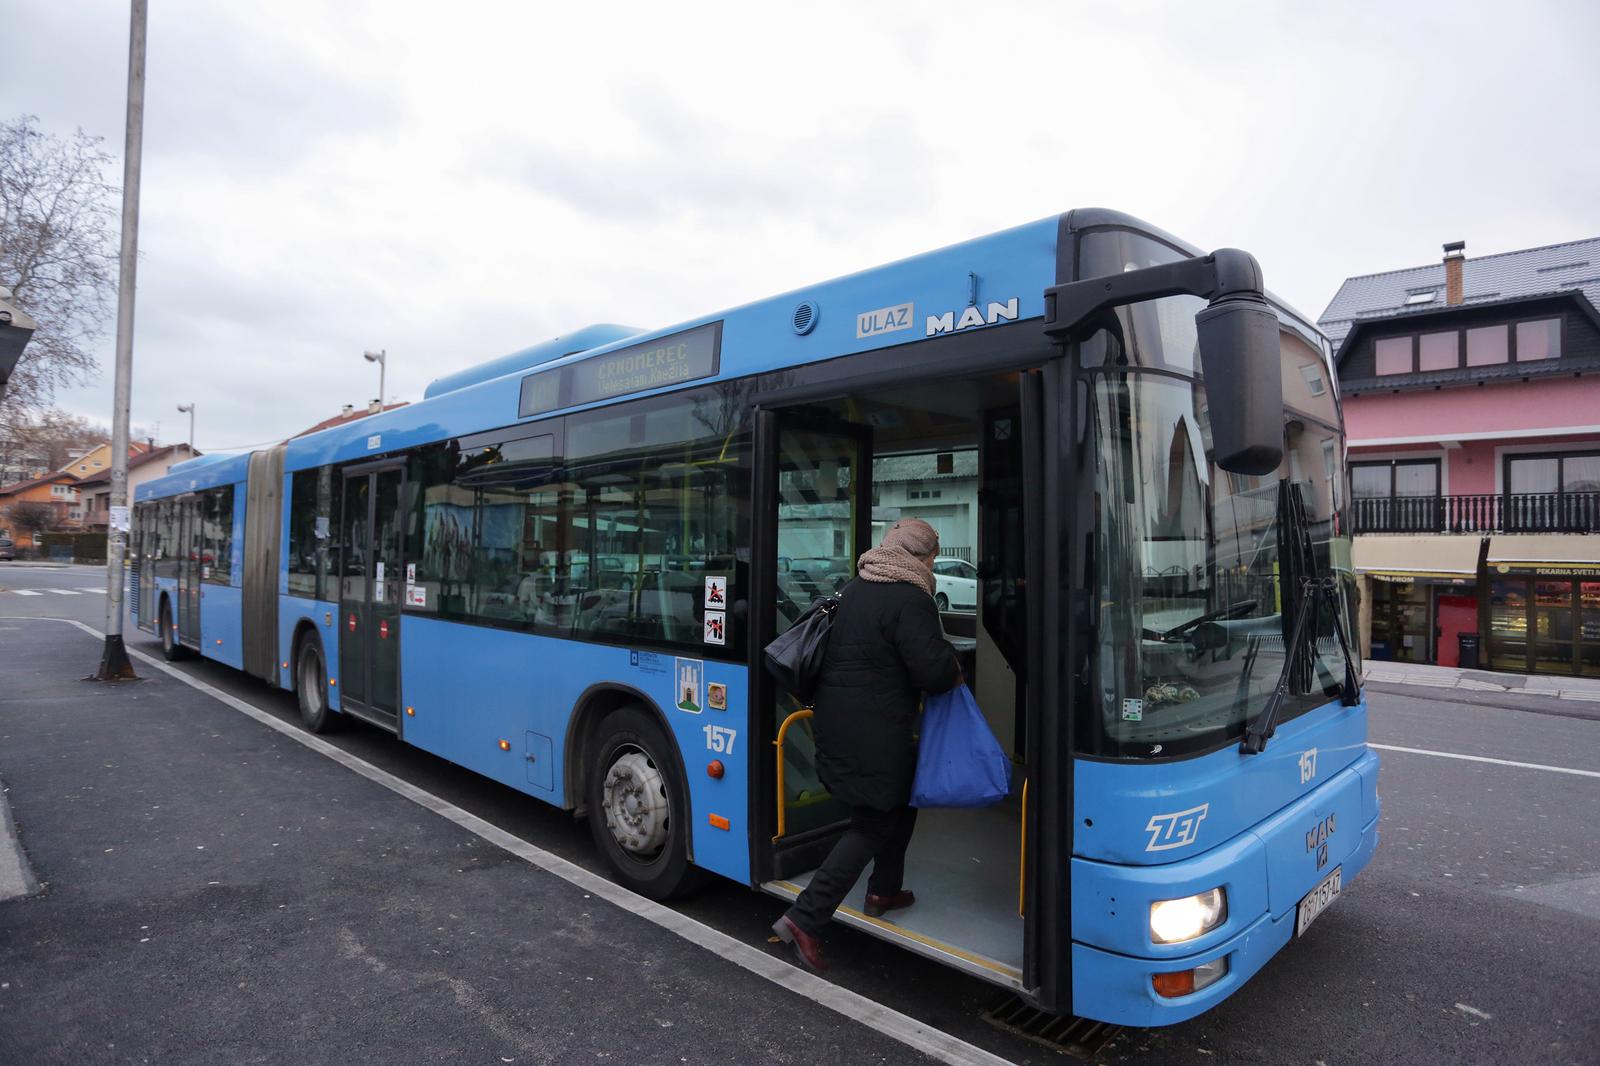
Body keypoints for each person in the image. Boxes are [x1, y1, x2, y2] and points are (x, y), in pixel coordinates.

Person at [771, 518, 962, 973]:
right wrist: (954, 665)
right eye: (933, 556)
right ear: (922, 557)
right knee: (872, 823)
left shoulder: (855, 588)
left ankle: (884, 888)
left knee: (900, 803)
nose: (933, 564)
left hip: (840, 725)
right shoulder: (911, 598)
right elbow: (932, 674)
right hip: (877, 732)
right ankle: (805, 918)